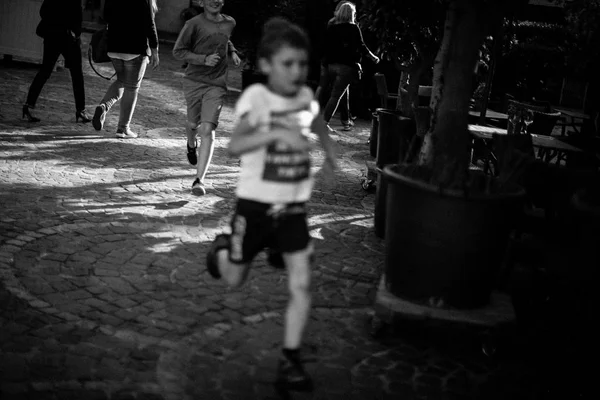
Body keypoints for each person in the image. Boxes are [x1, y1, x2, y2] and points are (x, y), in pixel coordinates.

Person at [205, 17, 337, 392]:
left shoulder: (305, 98)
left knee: (302, 283)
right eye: (287, 64)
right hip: (255, 208)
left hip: (292, 211)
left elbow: (319, 123)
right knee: (234, 279)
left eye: (302, 64)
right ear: (266, 66)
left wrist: (329, 156)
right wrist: (277, 132)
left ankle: (290, 360)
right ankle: (220, 250)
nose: (296, 72)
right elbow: (235, 147)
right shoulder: (256, 99)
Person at [172, 0, 242, 195]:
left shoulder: (230, 22)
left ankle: (199, 180)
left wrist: (233, 51)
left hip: (217, 84)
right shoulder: (193, 24)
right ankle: (190, 143)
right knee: (192, 124)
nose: (215, 1)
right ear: (201, 2)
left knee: (208, 128)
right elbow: (178, 51)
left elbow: (223, 38)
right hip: (194, 81)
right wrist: (203, 59)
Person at [92, 0, 160, 139]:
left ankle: (104, 106)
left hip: (114, 45)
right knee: (132, 87)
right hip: (135, 47)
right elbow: (149, 23)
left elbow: (105, 15)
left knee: (122, 80)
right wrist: (155, 49)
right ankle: (123, 128)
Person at [23, 0, 92, 123]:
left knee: (44, 71)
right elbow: (77, 16)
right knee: (77, 75)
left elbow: (43, 11)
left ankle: (28, 105)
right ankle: (80, 110)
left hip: (52, 35)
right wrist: (76, 33)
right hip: (68, 38)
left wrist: (54, 22)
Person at [317, 2, 379, 132]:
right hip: (346, 68)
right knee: (336, 96)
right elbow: (361, 46)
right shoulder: (353, 28)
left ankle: (346, 121)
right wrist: (373, 57)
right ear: (352, 14)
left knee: (342, 92)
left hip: (331, 66)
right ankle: (324, 123)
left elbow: (324, 47)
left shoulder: (332, 28)